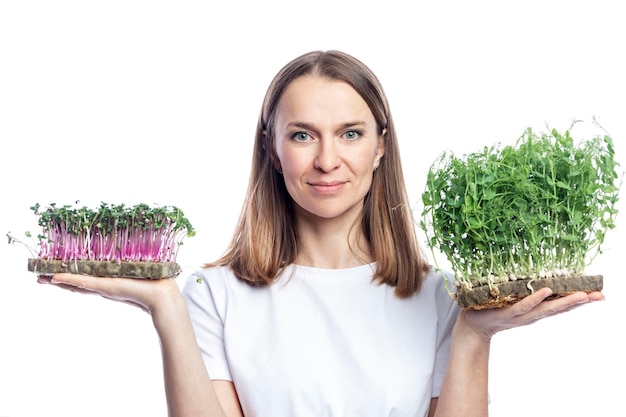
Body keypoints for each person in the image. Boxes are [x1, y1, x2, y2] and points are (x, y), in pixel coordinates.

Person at [39, 50, 604, 417]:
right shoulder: (215, 296)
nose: (328, 160)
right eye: (304, 135)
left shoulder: (438, 298)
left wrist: (475, 337)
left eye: (351, 133)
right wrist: (165, 307)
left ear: (381, 146)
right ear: (272, 147)